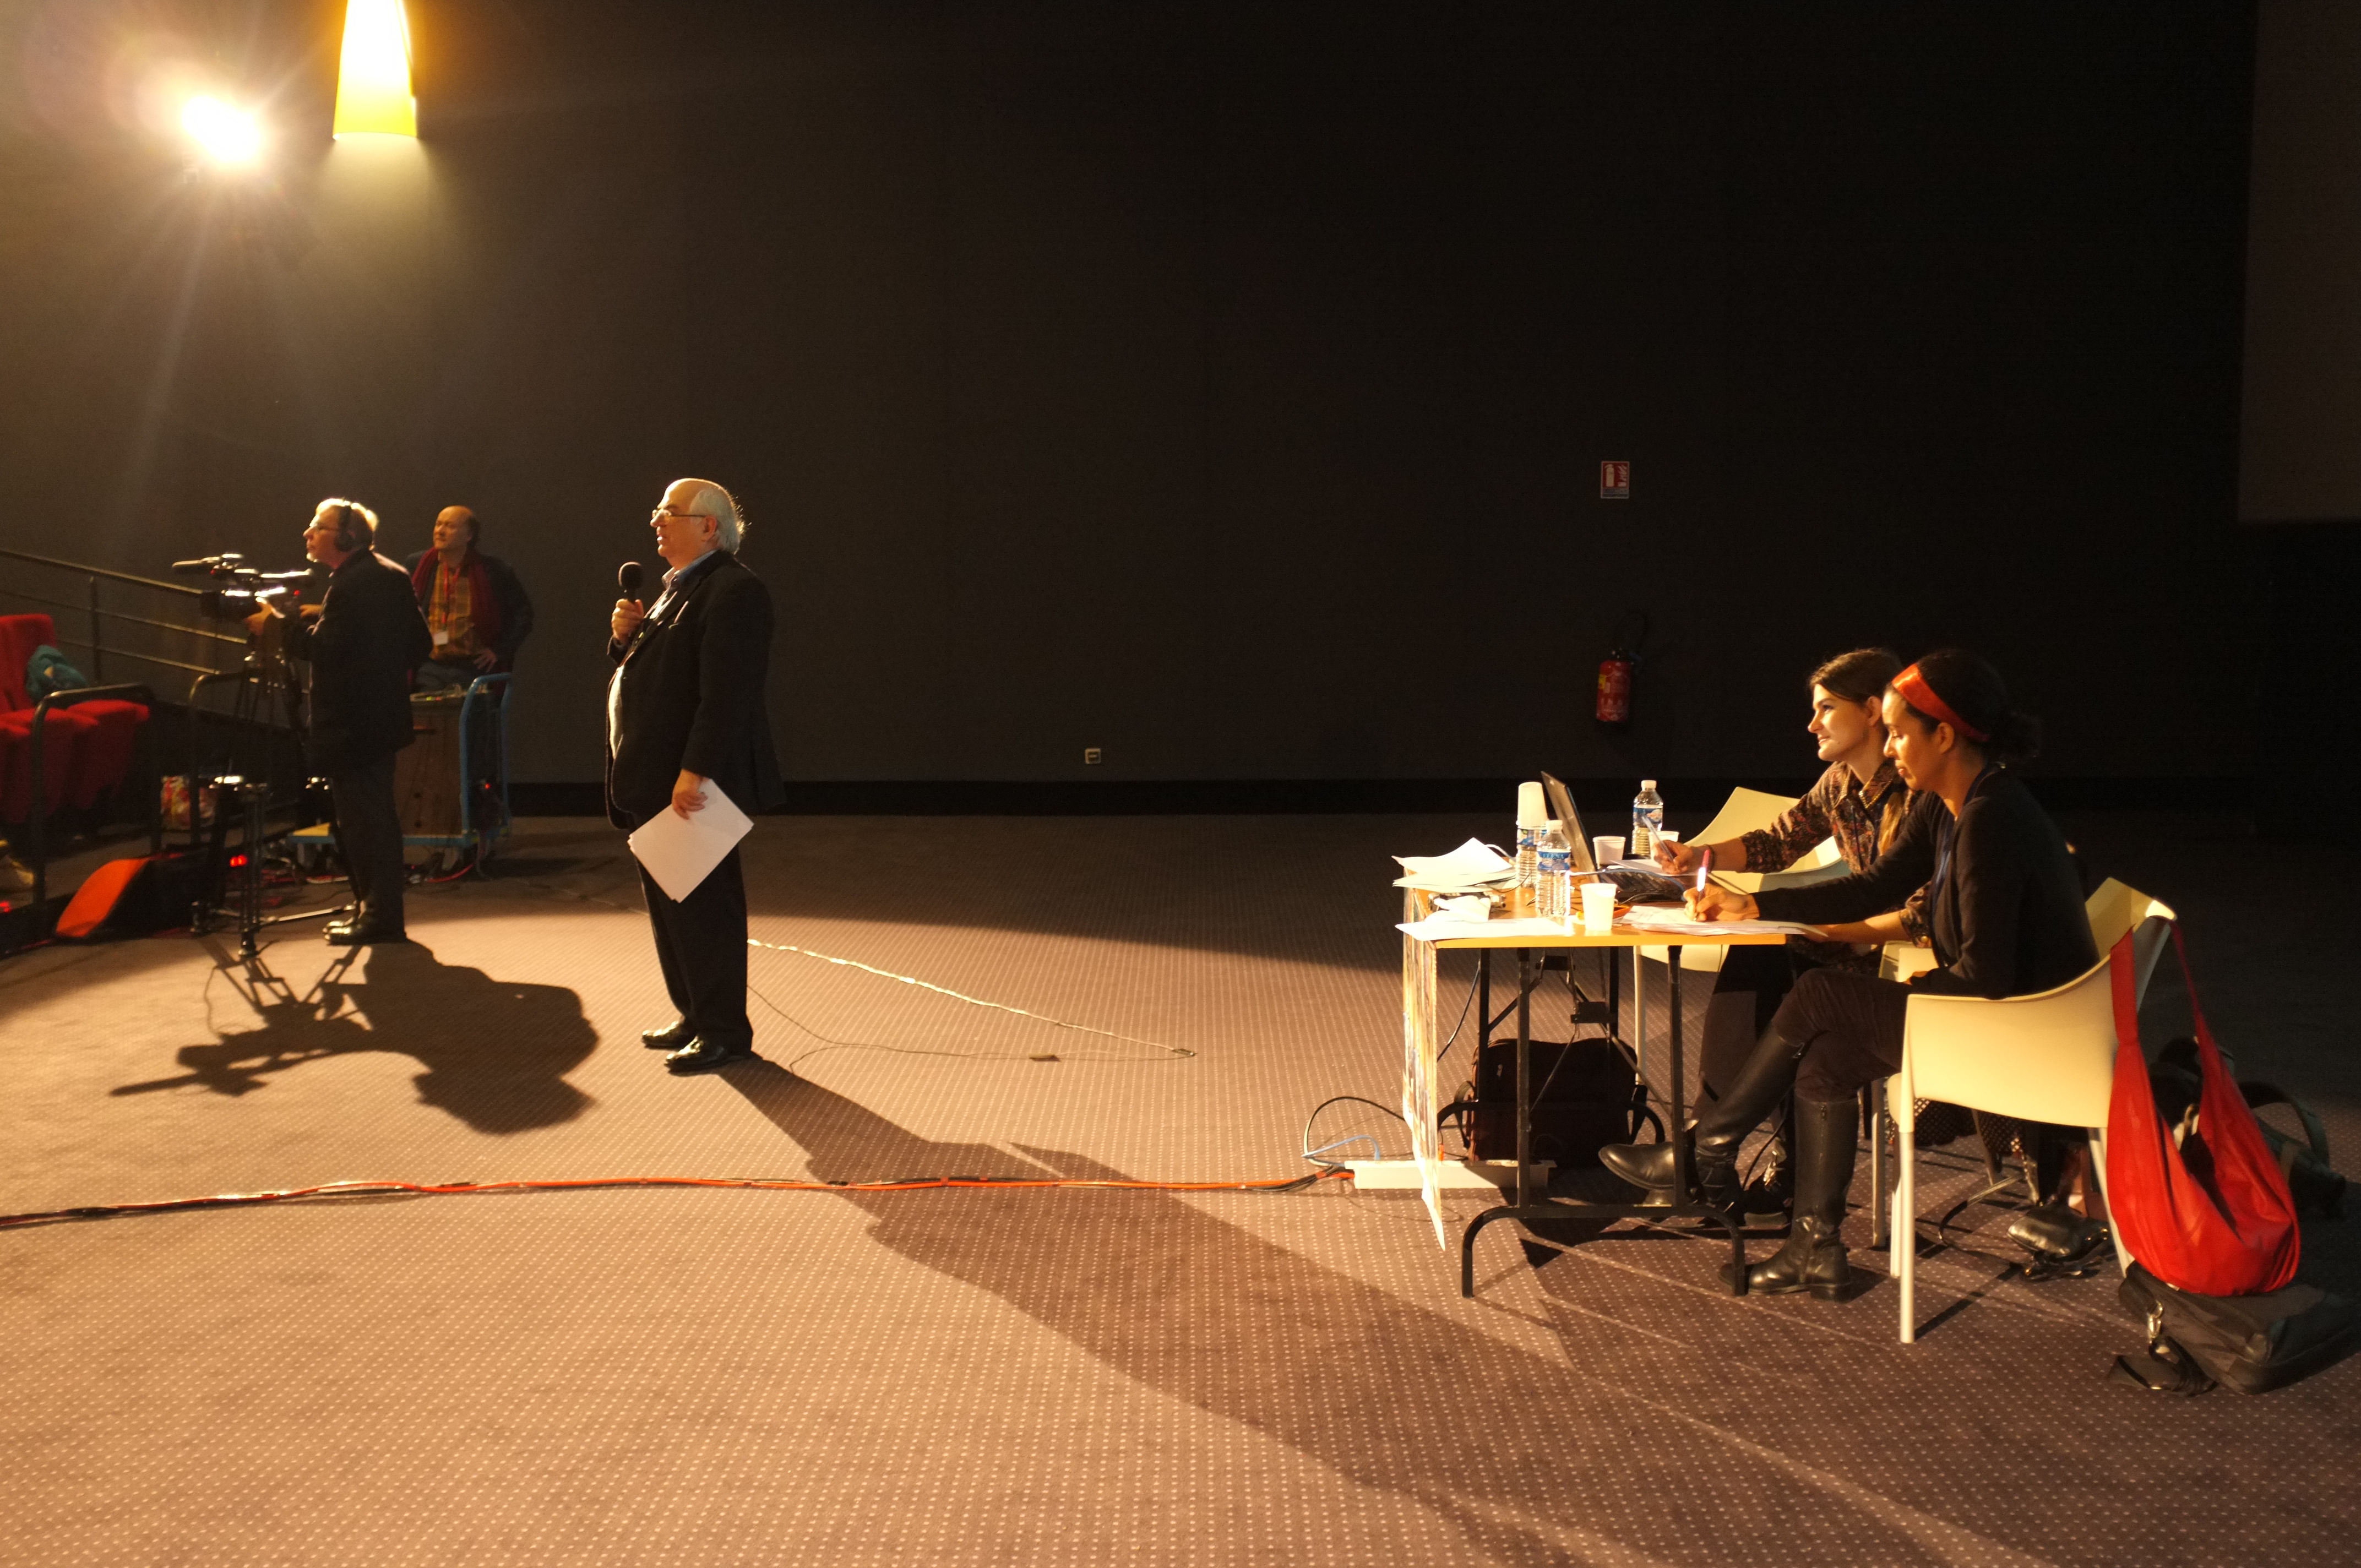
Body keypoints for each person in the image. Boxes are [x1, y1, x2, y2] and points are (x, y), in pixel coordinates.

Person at [1600, 650, 2094, 1299]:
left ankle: (1708, 1148)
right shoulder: (1948, 803)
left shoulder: (1990, 818)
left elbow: (1987, 975)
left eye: (1899, 734)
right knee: (1826, 1059)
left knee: (1817, 992)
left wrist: (1901, 994)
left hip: (2019, 1029)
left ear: (1944, 736)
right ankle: (1814, 1248)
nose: (1890, 748)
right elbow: (1871, 887)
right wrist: (1758, 907)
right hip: (1987, 1007)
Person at [1622, 648, 1928, 1216]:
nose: (1812, 724)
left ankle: (1702, 1151)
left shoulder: (1920, 795)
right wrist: (1701, 856)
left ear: (1871, 712)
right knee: (1760, 955)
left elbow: (1918, 915)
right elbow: (1781, 841)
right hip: (1857, 940)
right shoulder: (1841, 782)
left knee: (1777, 969)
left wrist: (1824, 929)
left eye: (1826, 708)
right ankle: (1710, 1151)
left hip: (1902, 960)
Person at [606, 477, 786, 1075]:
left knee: (704, 909)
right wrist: (623, 641)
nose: (656, 521)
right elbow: (661, 677)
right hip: (654, 775)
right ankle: (693, 1014)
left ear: (708, 526)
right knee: (672, 906)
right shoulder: (678, 589)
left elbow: (725, 697)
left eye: (669, 512)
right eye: (657, 511)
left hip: (691, 780)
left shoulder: (733, 591)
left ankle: (724, 1031)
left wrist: (695, 771)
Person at [249, 498, 433, 945]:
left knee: (364, 825)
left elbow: (323, 651)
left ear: (347, 538)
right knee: (376, 819)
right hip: (381, 719)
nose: (308, 534)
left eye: (318, 527)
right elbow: (419, 645)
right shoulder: (389, 573)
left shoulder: (351, 586)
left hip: (352, 726)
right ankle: (378, 911)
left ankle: (380, 918)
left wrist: (273, 626)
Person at [405, 506, 535, 692]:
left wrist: (500, 650)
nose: (440, 531)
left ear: (469, 535)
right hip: (430, 666)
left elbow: (523, 614)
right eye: (438, 524)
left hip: (472, 667)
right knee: (426, 710)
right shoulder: (418, 565)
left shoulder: (492, 570)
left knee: (472, 710)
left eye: (450, 526)